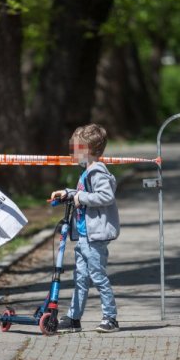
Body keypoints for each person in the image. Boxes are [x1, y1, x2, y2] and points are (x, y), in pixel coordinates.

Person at [50, 123, 121, 333]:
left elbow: (106, 196)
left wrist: (80, 197)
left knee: (98, 276)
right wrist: (68, 193)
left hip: (95, 237)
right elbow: (85, 194)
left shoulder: (96, 170)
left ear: (89, 150)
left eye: (76, 148)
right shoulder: (86, 171)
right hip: (83, 235)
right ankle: (74, 317)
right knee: (80, 277)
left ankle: (111, 318)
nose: (72, 152)